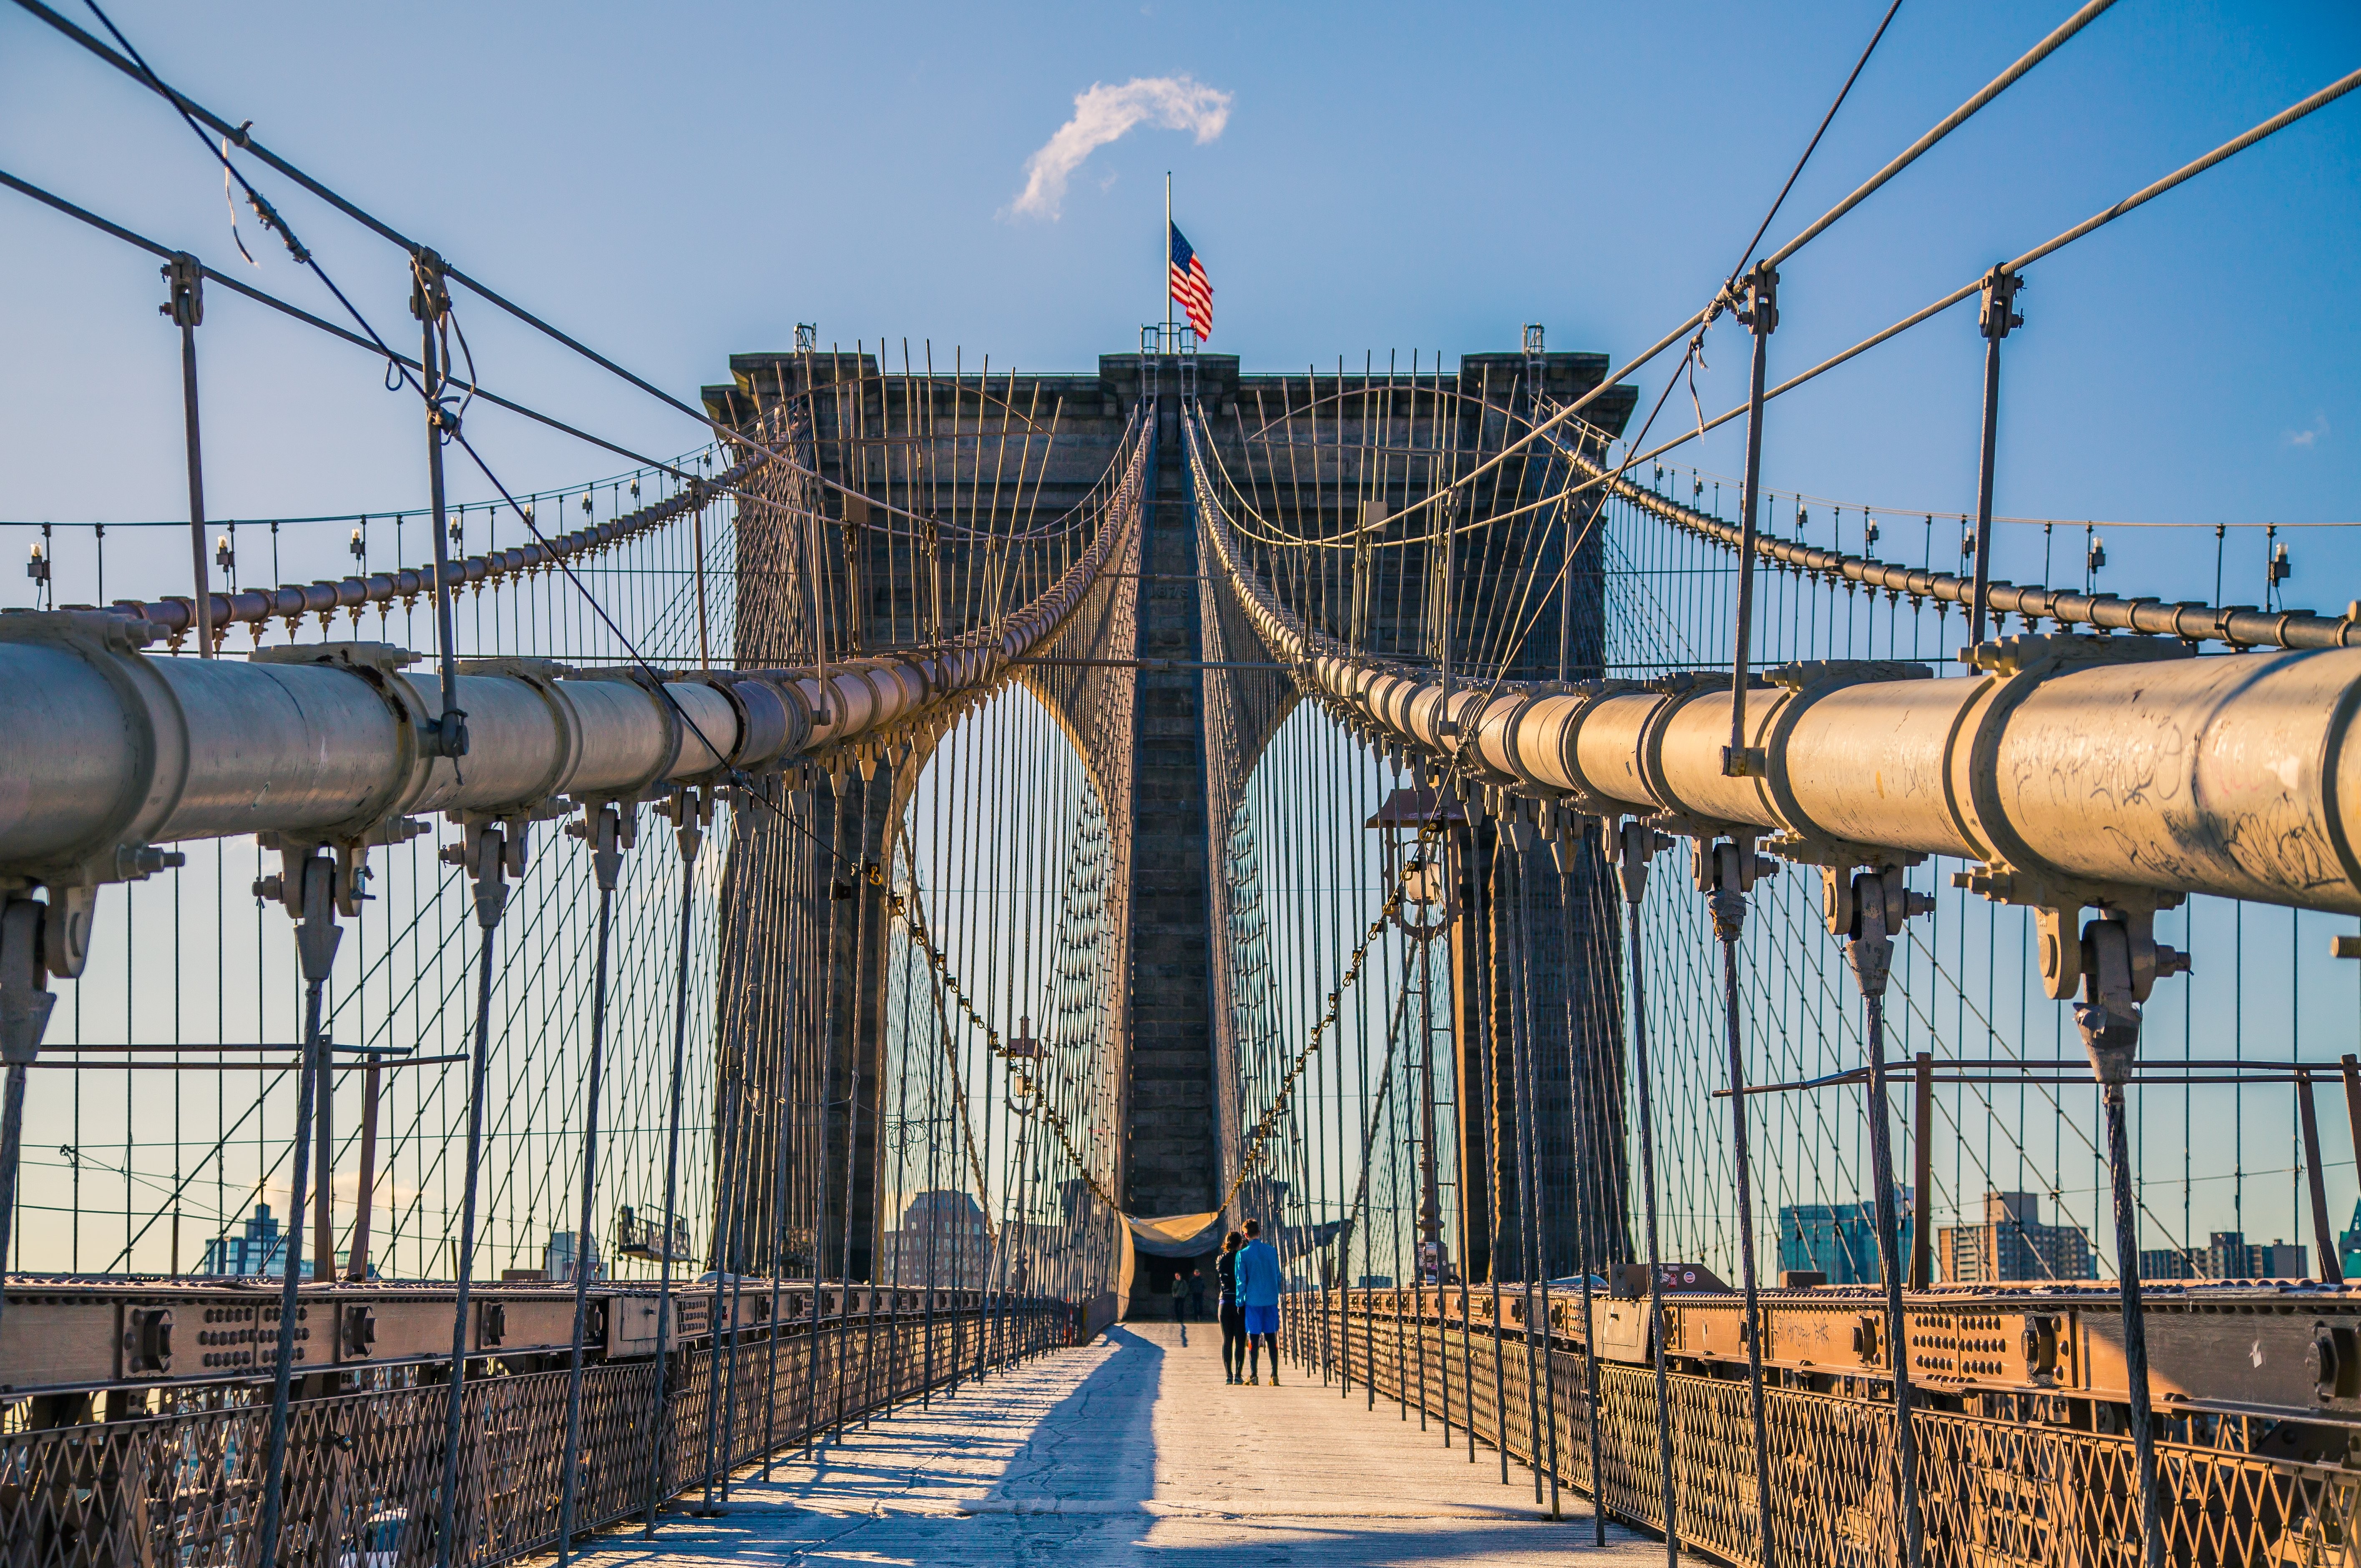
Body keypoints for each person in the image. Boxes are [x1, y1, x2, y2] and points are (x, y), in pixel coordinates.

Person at [1235, 1218, 1282, 1385]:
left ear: (1246, 1235)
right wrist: (1275, 1294)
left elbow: (1241, 1282)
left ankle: (1254, 1374)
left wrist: (1239, 1303)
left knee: (1253, 1339)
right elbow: (1278, 1276)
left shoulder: (1243, 1255)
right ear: (1260, 1233)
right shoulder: (1272, 1251)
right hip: (1270, 1301)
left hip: (1253, 1302)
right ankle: (1274, 1375)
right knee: (1271, 1338)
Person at [1216, 1231, 1245, 1383]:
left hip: (1224, 1302)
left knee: (1227, 1340)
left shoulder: (1220, 1259)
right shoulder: (1242, 1258)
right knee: (1240, 1341)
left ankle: (1229, 1375)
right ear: (1240, 1243)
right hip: (1239, 1303)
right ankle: (1239, 1376)